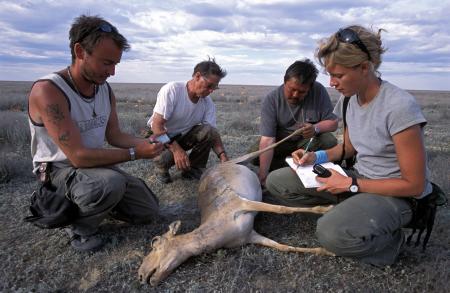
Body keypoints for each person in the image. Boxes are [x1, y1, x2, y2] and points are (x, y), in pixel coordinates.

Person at [265, 25, 433, 266]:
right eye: (330, 75)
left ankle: (391, 243)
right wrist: (316, 157)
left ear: (364, 68)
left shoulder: (399, 107)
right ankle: (353, 209)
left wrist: (351, 185)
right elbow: (347, 149)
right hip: (358, 180)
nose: (332, 83)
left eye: (338, 75)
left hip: (396, 195)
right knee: (277, 182)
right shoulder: (348, 99)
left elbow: (414, 185)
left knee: (329, 234)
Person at [27, 15, 165, 252]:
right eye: (106, 63)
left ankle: (97, 202)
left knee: (148, 210)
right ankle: (79, 227)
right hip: (59, 170)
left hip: (93, 167)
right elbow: (78, 157)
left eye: (115, 64)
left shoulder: (104, 89)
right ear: (80, 51)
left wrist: (147, 142)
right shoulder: (48, 91)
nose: (112, 72)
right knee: (110, 183)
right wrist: (135, 153)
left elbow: (114, 135)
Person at [251, 59, 338, 186]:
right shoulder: (272, 99)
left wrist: (315, 128)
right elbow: (268, 140)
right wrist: (263, 175)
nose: (295, 95)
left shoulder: (318, 91)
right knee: (254, 156)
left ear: (310, 87)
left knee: (329, 141)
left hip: (307, 143)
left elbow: (333, 123)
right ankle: (290, 165)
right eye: (291, 89)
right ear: (285, 81)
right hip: (281, 142)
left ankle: (305, 166)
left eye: (302, 92)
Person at [147, 58, 229, 184]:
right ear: (197, 76)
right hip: (160, 137)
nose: (211, 91)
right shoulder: (172, 90)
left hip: (182, 137)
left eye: (215, 87)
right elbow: (156, 126)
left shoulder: (207, 103)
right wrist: (176, 150)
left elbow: (213, 133)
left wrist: (223, 156)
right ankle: (161, 168)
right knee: (163, 159)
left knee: (209, 131)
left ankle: (193, 169)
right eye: (209, 86)